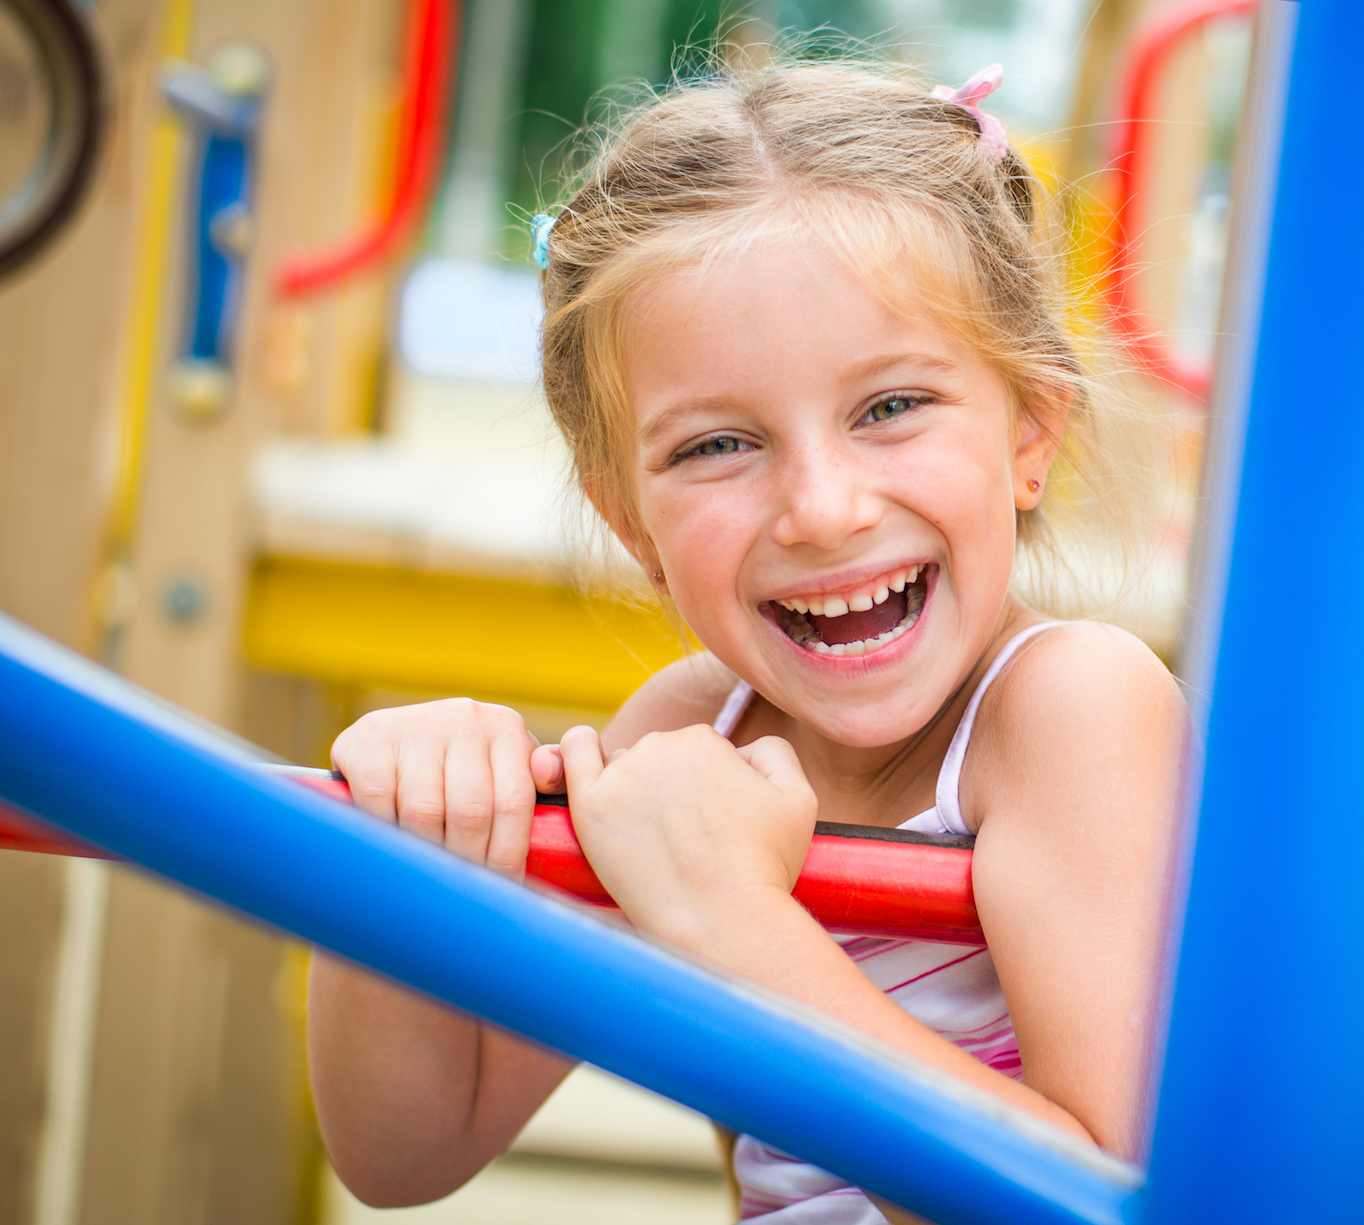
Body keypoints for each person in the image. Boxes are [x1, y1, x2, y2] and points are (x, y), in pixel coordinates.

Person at [308, 60, 1187, 1223]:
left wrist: (734, 922)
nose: (823, 509)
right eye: (718, 444)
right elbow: (407, 1150)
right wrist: (393, 858)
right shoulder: (687, 736)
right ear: (630, 521)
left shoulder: (1070, 708)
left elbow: (1106, 1206)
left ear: (1030, 427)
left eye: (889, 407)